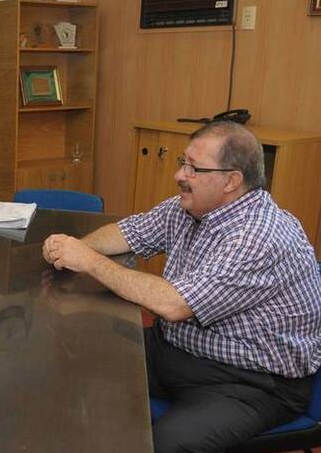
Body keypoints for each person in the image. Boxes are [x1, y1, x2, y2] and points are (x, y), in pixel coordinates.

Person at [42, 121, 321, 452]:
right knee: (77, 357)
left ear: (232, 181)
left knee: (167, 444)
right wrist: (71, 249)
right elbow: (129, 233)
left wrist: (87, 259)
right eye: (182, 162)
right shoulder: (190, 208)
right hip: (180, 348)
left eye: (194, 167)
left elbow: (175, 305)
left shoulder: (259, 236)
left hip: (251, 379)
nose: (180, 175)